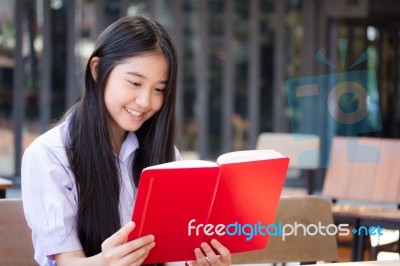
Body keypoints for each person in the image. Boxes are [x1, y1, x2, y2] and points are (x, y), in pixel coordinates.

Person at [21, 16, 231, 266]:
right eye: (135, 83)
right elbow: (67, 262)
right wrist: (104, 262)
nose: (145, 101)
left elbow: (171, 253)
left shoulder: (166, 155)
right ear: (98, 70)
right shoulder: (50, 155)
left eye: (159, 89)